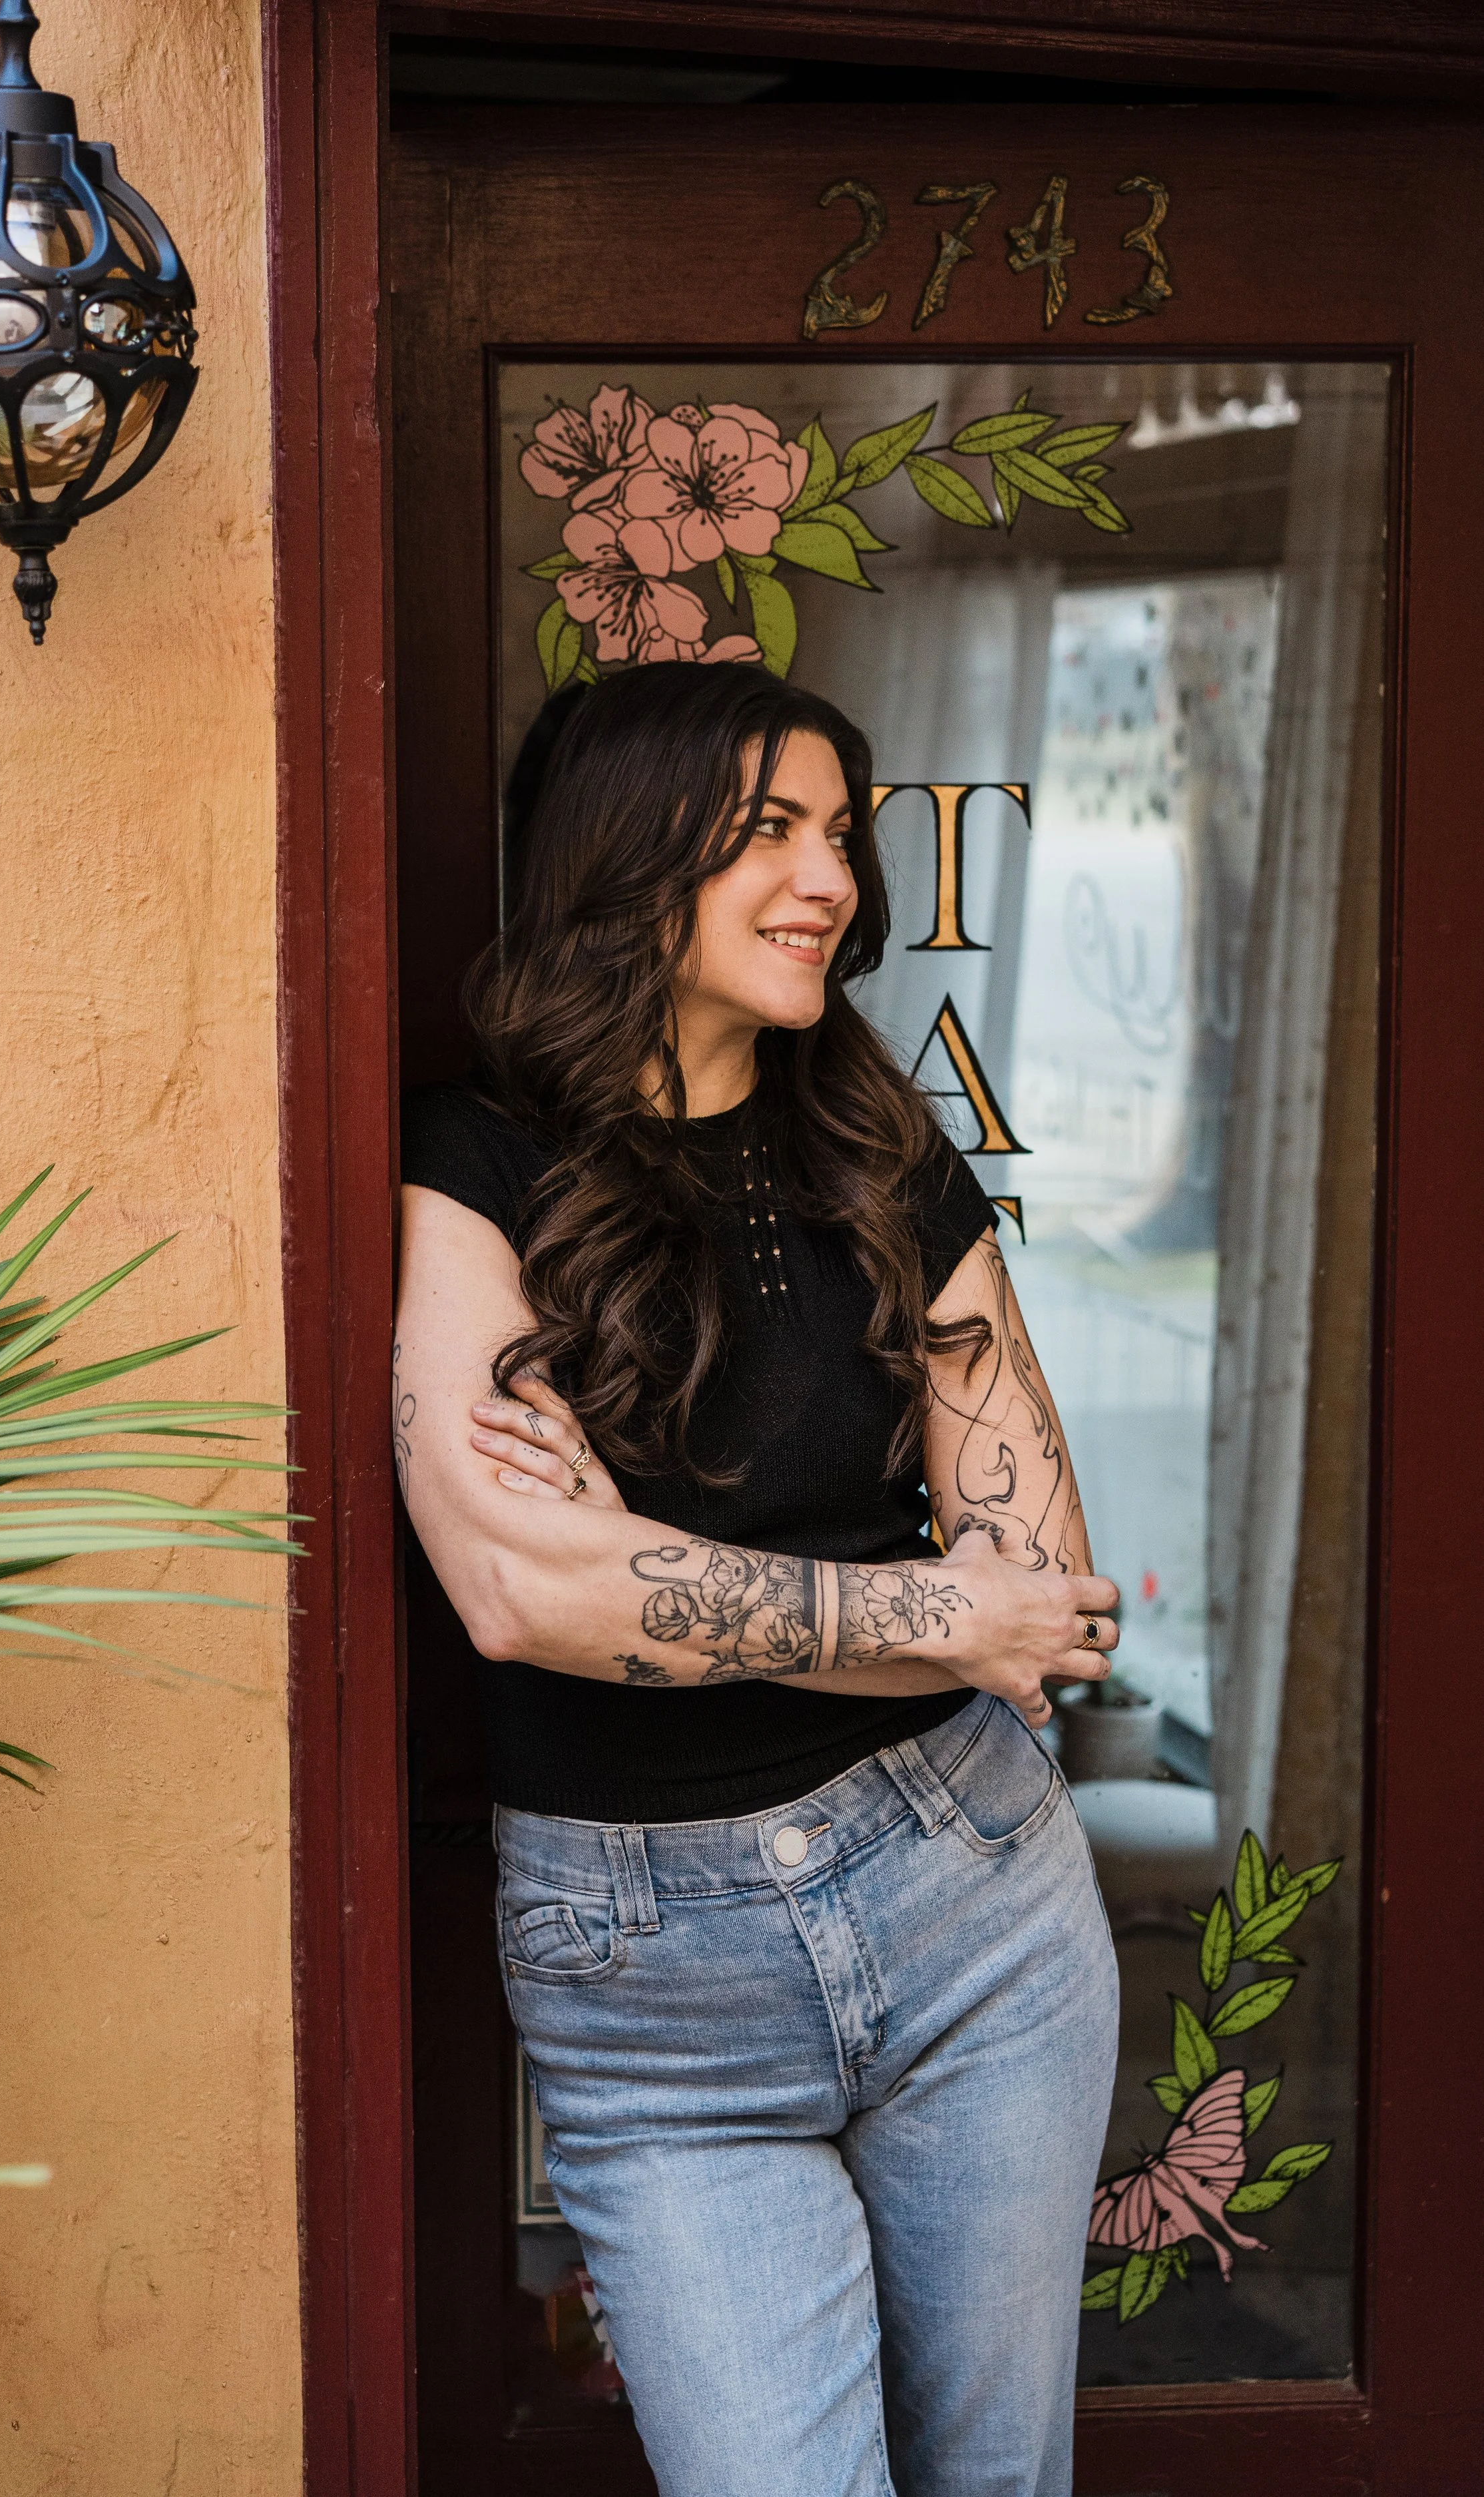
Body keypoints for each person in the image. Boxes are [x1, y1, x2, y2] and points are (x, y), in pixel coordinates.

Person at [395, 661, 1120, 2497]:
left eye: (836, 835)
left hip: (976, 1908)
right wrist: (924, 1612)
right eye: (767, 831)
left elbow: (1036, 1590)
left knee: (994, 2479)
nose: (832, 883)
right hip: (654, 1990)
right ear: (629, 859)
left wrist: (671, 1588)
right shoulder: (474, 1169)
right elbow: (522, 1593)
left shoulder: (881, 1154)